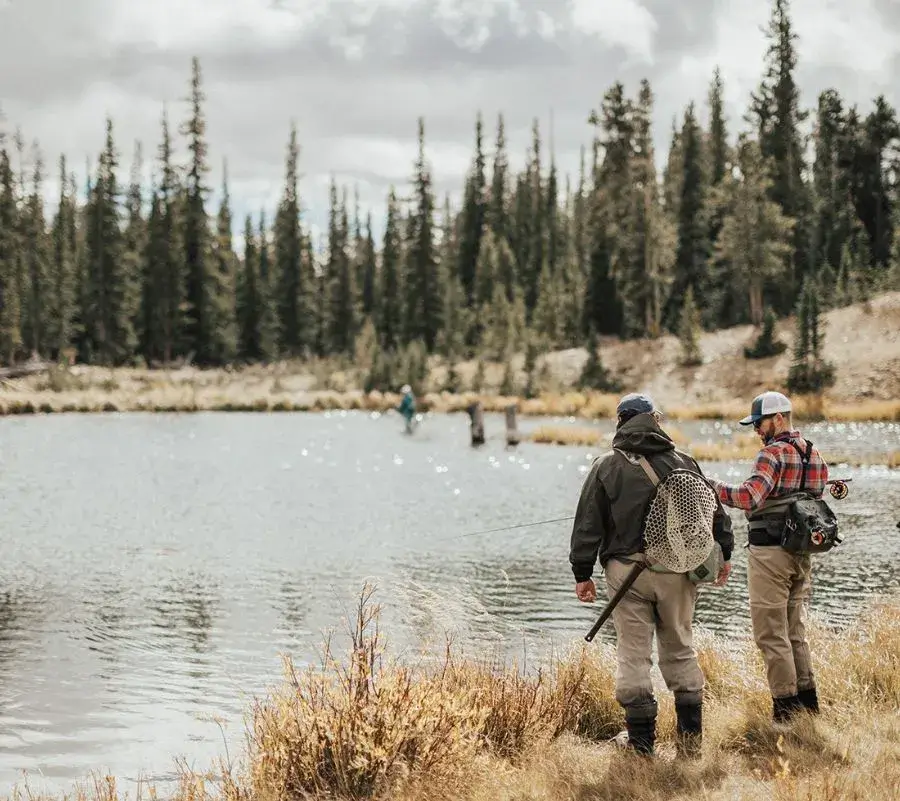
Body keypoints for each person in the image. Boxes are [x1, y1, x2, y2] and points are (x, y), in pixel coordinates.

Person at [570, 393, 734, 757]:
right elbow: (715, 515)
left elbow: (587, 526)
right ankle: (690, 746)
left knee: (633, 654)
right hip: (678, 571)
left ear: (620, 422)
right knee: (680, 648)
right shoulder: (684, 461)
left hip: (626, 574)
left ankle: (642, 747)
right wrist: (724, 555)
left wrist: (583, 573)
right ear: (654, 420)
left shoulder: (606, 465)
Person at [706, 390, 828, 723]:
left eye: (759, 423)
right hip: (801, 554)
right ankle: (809, 705)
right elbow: (813, 500)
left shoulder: (771, 454)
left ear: (778, 418)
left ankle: (785, 715)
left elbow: (748, 497)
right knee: (794, 631)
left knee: (770, 634)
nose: (757, 431)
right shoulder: (814, 454)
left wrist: (712, 485)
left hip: (770, 555)